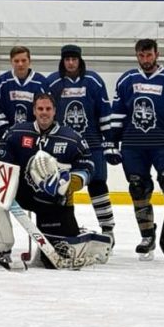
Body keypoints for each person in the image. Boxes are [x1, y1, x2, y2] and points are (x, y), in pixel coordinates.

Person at [0, 93, 109, 268]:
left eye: (48, 109)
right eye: (40, 109)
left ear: (55, 111)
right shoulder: (16, 132)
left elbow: (88, 166)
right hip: (22, 195)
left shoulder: (72, 138)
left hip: (54, 202)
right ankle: (0, 243)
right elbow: (1, 159)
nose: (44, 113)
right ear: (34, 111)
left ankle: (79, 233)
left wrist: (71, 182)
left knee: (53, 261)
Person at [109, 38, 164, 260]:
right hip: (133, 144)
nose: (145, 59)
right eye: (141, 55)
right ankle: (147, 235)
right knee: (138, 188)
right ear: (136, 55)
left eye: (149, 55)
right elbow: (118, 113)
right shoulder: (127, 79)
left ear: (157, 54)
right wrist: (111, 142)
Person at [46, 44, 115, 239]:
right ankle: (66, 227)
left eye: (74, 59)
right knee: (62, 188)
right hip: (63, 147)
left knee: (98, 184)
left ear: (79, 60)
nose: (70, 63)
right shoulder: (53, 82)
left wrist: (109, 143)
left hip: (92, 144)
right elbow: (45, 112)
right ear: (62, 61)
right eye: (67, 59)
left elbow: (104, 113)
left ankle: (108, 229)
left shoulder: (93, 80)